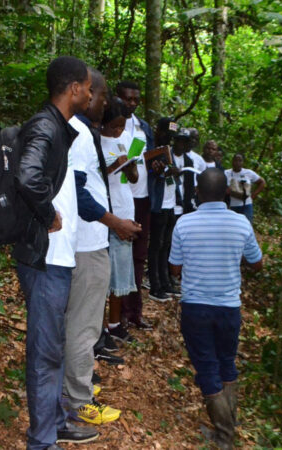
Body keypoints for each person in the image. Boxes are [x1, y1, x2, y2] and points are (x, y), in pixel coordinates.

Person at [11, 56, 97, 449]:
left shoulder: (58, 127)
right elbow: (26, 175)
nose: (92, 94)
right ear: (74, 88)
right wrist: (48, 215)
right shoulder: (46, 125)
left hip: (56, 258)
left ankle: (57, 422)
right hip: (45, 258)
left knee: (53, 345)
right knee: (45, 352)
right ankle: (41, 441)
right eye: (88, 86)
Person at [63, 69, 140, 427]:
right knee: (84, 326)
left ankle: (71, 390)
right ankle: (78, 402)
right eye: (103, 94)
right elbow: (78, 194)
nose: (106, 101)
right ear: (83, 92)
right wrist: (115, 222)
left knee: (78, 323)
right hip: (86, 245)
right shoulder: (78, 133)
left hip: (84, 242)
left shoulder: (79, 131)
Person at [168, 168, 263, 449]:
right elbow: (257, 263)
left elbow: (174, 269)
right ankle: (227, 429)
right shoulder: (241, 224)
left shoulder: (184, 224)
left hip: (195, 308)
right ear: (226, 193)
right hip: (228, 308)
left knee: (207, 367)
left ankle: (224, 437)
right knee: (226, 362)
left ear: (197, 192)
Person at [100, 97, 142, 346]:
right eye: (114, 127)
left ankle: (115, 324)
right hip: (106, 214)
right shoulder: (95, 141)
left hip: (126, 208)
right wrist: (113, 165)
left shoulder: (125, 141)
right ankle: (98, 327)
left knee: (121, 274)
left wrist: (129, 167)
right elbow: (94, 177)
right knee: (103, 275)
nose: (118, 131)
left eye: (122, 127)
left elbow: (134, 178)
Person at [116, 81, 157, 330]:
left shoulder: (143, 127)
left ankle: (134, 312)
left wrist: (157, 165)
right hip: (120, 199)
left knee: (139, 256)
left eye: (135, 100)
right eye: (127, 99)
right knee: (120, 256)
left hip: (142, 197)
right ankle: (116, 314)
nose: (131, 103)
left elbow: (149, 158)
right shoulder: (110, 125)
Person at [146, 117, 178, 302]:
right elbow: (148, 174)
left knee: (166, 245)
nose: (169, 138)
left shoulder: (170, 150)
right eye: (167, 133)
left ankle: (165, 282)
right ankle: (155, 284)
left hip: (170, 203)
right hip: (158, 204)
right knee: (156, 245)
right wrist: (160, 172)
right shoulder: (152, 150)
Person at [225, 154, 266, 225]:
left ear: (243, 162)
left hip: (247, 205)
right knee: (235, 226)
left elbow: (262, 182)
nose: (237, 163)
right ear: (232, 161)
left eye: (240, 161)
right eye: (235, 160)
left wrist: (253, 196)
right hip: (232, 206)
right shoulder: (226, 173)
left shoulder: (248, 173)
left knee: (247, 225)